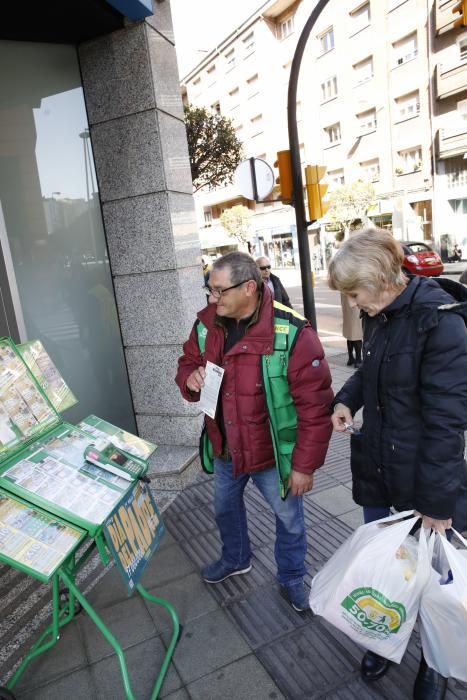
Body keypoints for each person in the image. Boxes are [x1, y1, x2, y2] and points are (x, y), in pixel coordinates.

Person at [328, 228, 467, 700]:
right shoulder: (380, 314)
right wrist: (347, 399)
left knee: (429, 578)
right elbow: (370, 368)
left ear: (383, 278)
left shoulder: (441, 322)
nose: (351, 303)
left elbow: (448, 424)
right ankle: (388, 638)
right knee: (387, 567)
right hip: (380, 468)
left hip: (420, 479)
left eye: (353, 292)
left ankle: (434, 661)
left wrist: (436, 502)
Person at [176, 251, 333, 611]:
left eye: (219, 291)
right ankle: (236, 558)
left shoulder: (292, 332)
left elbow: (315, 406)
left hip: (271, 455)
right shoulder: (206, 325)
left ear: (249, 287)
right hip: (226, 448)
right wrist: (191, 377)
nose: (212, 299)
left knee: (289, 521)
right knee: (224, 509)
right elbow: (187, 362)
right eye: (209, 290)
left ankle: (292, 577)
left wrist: (303, 466)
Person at [340, 294, 363, 368]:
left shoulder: (343, 282)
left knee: (350, 333)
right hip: (355, 307)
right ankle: (358, 360)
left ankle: (351, 358)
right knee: (357, 333)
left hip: (347, 306)